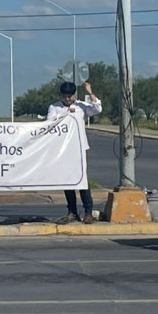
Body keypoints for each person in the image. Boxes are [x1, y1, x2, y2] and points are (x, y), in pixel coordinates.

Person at [47, 81, 102, 224]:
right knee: (68, 180)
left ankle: (88, 211)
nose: (67, 99)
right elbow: (49, 123)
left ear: (74, 95)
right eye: (65, 97)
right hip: (63, 149)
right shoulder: (55, 107)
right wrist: (66, 113)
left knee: (82, 180)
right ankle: (72, 212)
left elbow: (97, 109)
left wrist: (90, 93)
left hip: (79, 147)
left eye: (70, 96)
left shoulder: (80, 106)